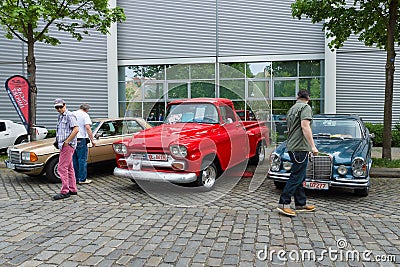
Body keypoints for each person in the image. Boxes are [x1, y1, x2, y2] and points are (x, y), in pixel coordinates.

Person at [277, 90, 319, 217]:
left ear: (297, 97)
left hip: (292, 146)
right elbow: (305, 126)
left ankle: (300, 203)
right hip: (300, 147)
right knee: (296, 176)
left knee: (299, 176)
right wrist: (313, 146)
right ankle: (284, 203)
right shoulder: (305, 108)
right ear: (308, 98)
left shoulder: (292, 109)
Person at [53, 98, 79, 200]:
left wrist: (67, 141)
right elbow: (60, 131)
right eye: (57, 107)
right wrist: (57, 140)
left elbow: (76, 129)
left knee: (61, 168)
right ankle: (72, 188)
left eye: (60, 106)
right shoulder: (60, 116)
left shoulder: (69, 115)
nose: (59, 109)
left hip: (67, 145)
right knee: (69, 168)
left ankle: (65, 191)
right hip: (63, 145)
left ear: (65, 105)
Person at [73, 103, 96, 185]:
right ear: (87, 109)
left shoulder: (73, 114)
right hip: (81, 139)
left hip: (73, 139)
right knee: (82, 160)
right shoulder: (85, 115)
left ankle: (75, 179)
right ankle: (82, 179)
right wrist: (92, 139)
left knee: (74, 160)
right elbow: (87, 127)